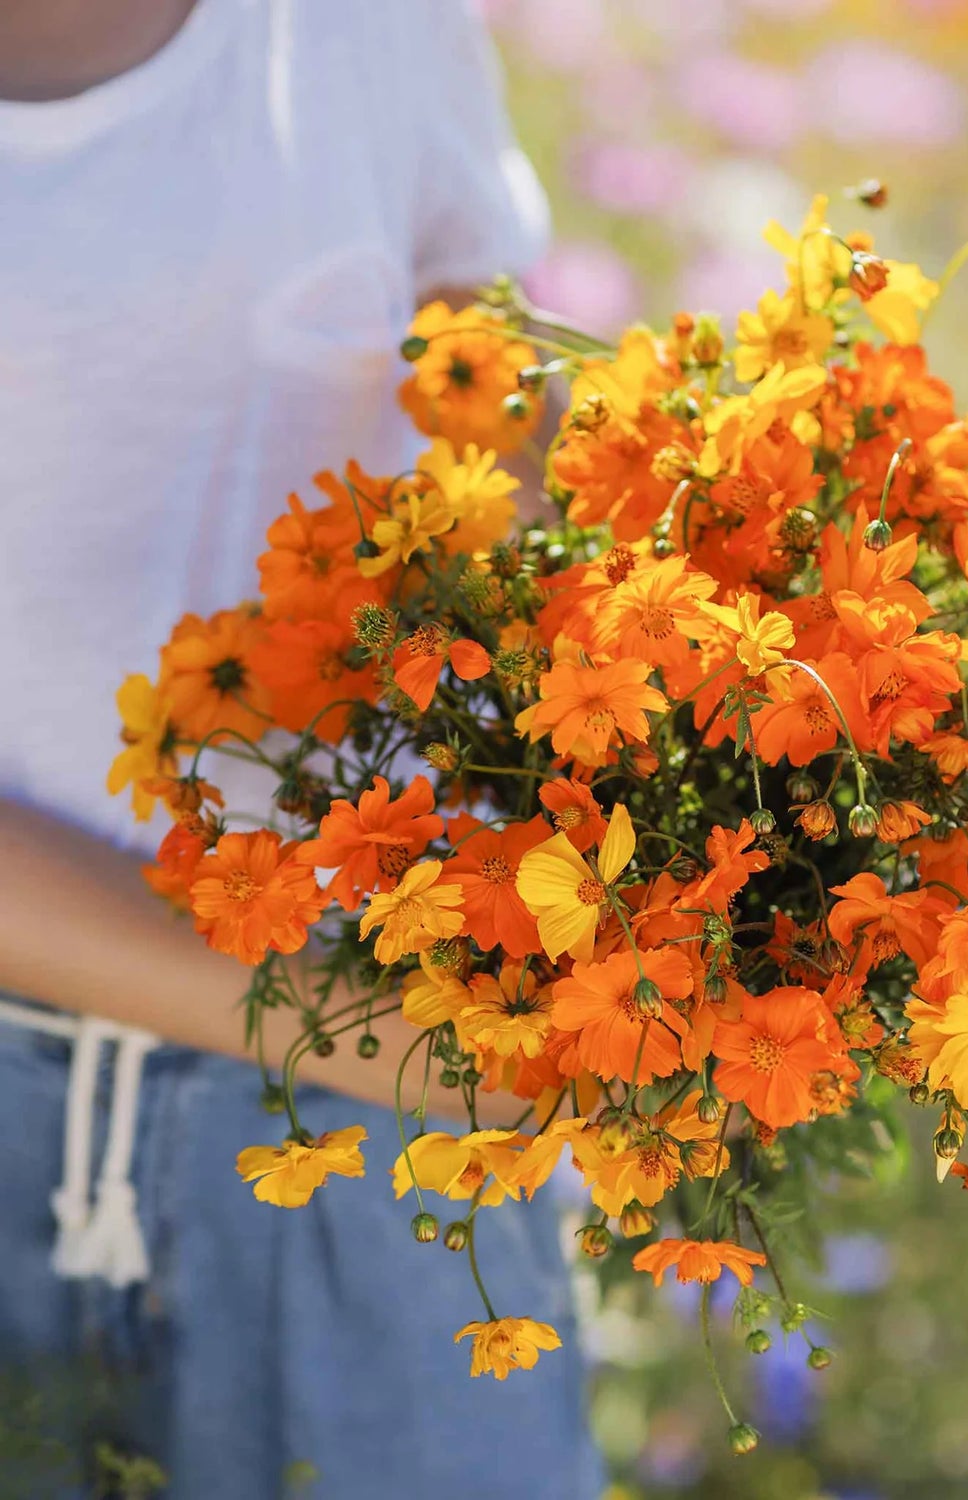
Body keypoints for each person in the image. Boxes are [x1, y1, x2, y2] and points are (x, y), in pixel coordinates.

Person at [0, 2, 603, 1495]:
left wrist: (661, 705)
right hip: (373, 1050)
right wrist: (359, 1026)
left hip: (391, 1107)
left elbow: (487, 386)